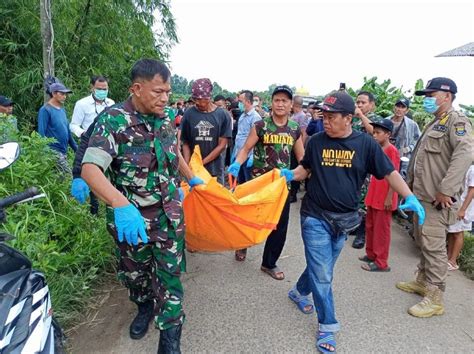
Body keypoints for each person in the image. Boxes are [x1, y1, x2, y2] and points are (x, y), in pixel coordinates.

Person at [280, 90, 425, 353]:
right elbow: (306, 169)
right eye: (324, 115)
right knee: (323, 274)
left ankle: (299, 292)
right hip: (315, 216)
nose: (326, 120)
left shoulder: (365, 144)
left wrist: (409, 196)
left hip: (345, 220)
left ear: (348, 118)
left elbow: (389, 172)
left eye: (332, 116)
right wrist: (290, 174)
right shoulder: (316, 141)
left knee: (321, 267)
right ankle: (328, 325)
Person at [80, 59, 203, 353]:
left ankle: (170, 341)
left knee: (169, 279)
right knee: (135, 276)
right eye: (158, 91)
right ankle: (143, 306)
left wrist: (191, 178)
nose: (165, 98)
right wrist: (119, 204)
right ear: (137, 89)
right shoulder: (114, 120)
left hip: (169, 217)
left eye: (168, 92)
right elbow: (90, 169)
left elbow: (173, 152)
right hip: (132, 219)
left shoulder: (167, 116)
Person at [397, 77, 473, 318]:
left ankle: (435, 298)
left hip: (437, 198)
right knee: (422, 241)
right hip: (421, 196)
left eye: (431, 95)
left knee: (434, 247)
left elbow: (465, 154)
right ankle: (422, 281)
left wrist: (447, 189)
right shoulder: (436, 121)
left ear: (447, 96)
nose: (427, 99)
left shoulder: (457, 121)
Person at [228, 85, 305, 279]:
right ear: (271, 103)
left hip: (281, 187)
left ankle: (269, 263)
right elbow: (246, 148)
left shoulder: (295, 129)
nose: (280, 104)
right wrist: (237, 163)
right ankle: (242, 244)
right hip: (260, 184)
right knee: (249, 219)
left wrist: (294, 174)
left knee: (279, 227)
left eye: (284, 101)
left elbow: (303, 159)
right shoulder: (261, 125)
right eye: (277, 100)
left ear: (290, 105)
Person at [69, 76, 114, 214]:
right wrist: (82, 133)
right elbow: (73, 124)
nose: (102, 91)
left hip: (107, 146)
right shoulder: (82, 104)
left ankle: (109, 206)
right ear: (92, 88)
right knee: (92, 175)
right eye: (99, 89)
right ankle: (93, 211)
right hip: (88, 144)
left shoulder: (111, 104)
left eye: (104, 89)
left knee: (107, 178)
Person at [360, 119, 400, 272]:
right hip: (374, 194)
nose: (374, 136)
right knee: (370, 226)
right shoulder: (377, 149)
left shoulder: (392, 151)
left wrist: (390, 196)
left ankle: (381, 262)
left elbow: (394, 175)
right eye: (374, 132)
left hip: (385, 196)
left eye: (378, 133)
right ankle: (371, 254)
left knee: (381, 230)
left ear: (388, 134)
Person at [180, 78, 232, 184]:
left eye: (200, 99)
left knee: (215, 199)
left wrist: (201, 163)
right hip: (193, 170)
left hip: (214, 170)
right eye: (195, 99)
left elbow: (221, 145)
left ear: (209, 98)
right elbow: (185, 142)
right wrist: (187, 164)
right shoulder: (189, 114)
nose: (197, 103)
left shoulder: (223, 115)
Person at [351, 91, 383, 249]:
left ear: (372, 105)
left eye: (363, 102)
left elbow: (374, 132)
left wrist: (361, 116)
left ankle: (361, 234)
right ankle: (353, 225)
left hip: (367, 165)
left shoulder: (376, 120)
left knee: (364, 199)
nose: (359, 105)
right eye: (358, 102)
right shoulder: (353, 120)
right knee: (353, 194)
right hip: (352, 162)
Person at [37, 82, 77, 173]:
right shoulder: (45, 110)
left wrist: (76, 149)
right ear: (54, 94)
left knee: (60, 180)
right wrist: (44, 152)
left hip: (63, 151)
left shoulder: (62, 109)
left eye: (65, 94)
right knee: (68, 176)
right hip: (53, 151)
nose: (64, 96)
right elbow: (41, 133)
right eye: (62, 94)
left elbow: (67, 131)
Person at [446, 164, 474, 271]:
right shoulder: (470, 167)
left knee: (458, 233)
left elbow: (472, 191)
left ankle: (453, 261)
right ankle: (449, 258)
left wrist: (463, 209)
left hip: (464, 206)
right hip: (460, 204)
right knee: (453, 231)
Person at [233, 90, 261, 184]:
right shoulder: (242, 116)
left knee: (248, 183)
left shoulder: (255, 117)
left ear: (248, 102)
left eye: (241, 102)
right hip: (240, 155)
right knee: (240, 182)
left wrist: (252, 156)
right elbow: (240, 136)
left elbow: (258, 138)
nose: (239, 104)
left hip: (249, 156)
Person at [388, 97, 421, 177]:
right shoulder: (386, 121)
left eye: (403, 107)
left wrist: (407, 149)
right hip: (386, 155)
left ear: (407, 110)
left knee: (399, 180)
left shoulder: (411, 125)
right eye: (398, 106)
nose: (399, 109)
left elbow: (418, 140)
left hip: (402, 159)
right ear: (394, 107)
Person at [289, 95, 310, 203]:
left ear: (294, 104)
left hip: (297, 147)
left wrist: (301, 147)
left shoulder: (302, 116)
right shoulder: (294, 115)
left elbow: (303, 133)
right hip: (291, 146)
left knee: (296, 168)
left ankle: (293, 194)